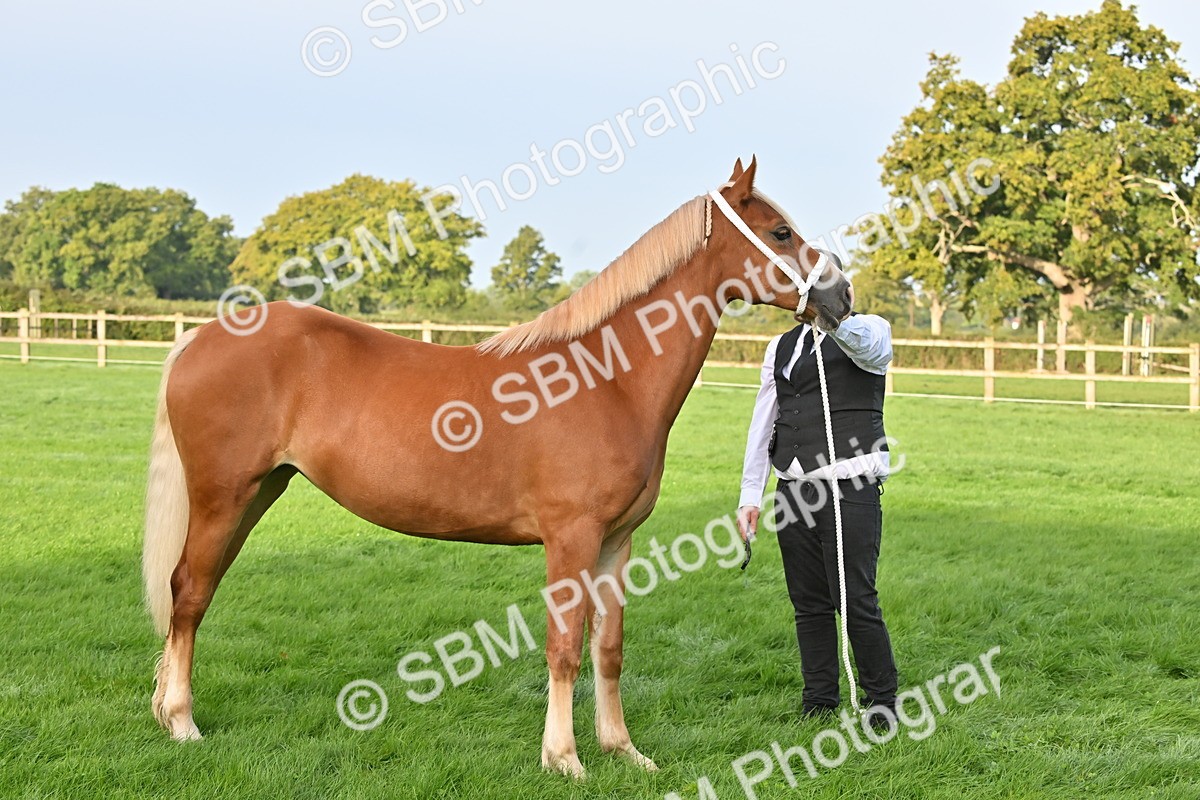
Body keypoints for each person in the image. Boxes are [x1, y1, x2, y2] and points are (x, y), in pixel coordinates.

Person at [736, 302, 898, 723]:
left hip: (850, 489)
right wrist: (751, 494)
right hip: (792, 491)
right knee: (808, 604)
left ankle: (882, 702)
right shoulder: (780, 346)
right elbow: (764, 419)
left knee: (855, 600)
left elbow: (868, 349)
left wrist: (830, 317)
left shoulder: (870, 330)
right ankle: (819, 701)